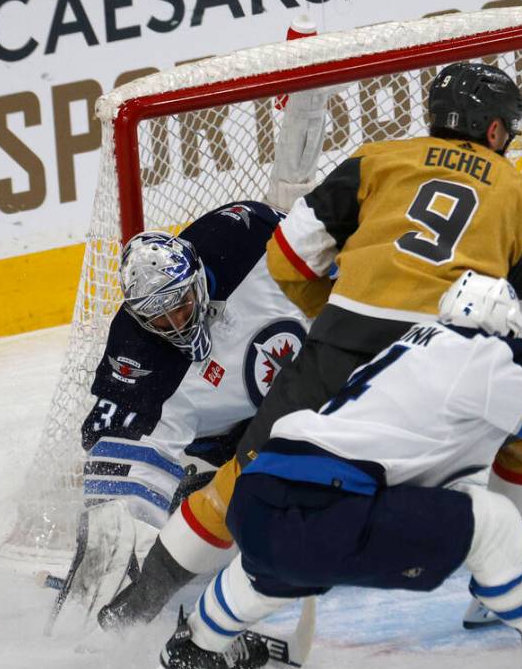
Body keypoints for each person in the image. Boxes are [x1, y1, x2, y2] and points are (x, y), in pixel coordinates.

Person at [100, 61, 522, 633]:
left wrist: (335, 317)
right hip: (439, 361)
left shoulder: (376, 159)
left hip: (339, 346)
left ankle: (127, 615)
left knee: (237, 483)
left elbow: (288, 258)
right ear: (495, 132)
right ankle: (503, 588)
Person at [152, 272, 522, 669]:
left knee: (278, 562)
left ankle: (195, 646)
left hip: (260, 490)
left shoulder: (409, 345)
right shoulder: (489, 360)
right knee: (493, 523)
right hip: (330, 505)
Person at [51, 88, 330, 633]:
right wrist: (118, 540)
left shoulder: (244, 241)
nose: (178, 324)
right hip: (234, 442)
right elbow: (129, 458)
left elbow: (315, 241)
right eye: (160, 319)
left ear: (198, 281)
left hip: (320, 383)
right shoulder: (146, 363)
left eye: (182, 305)